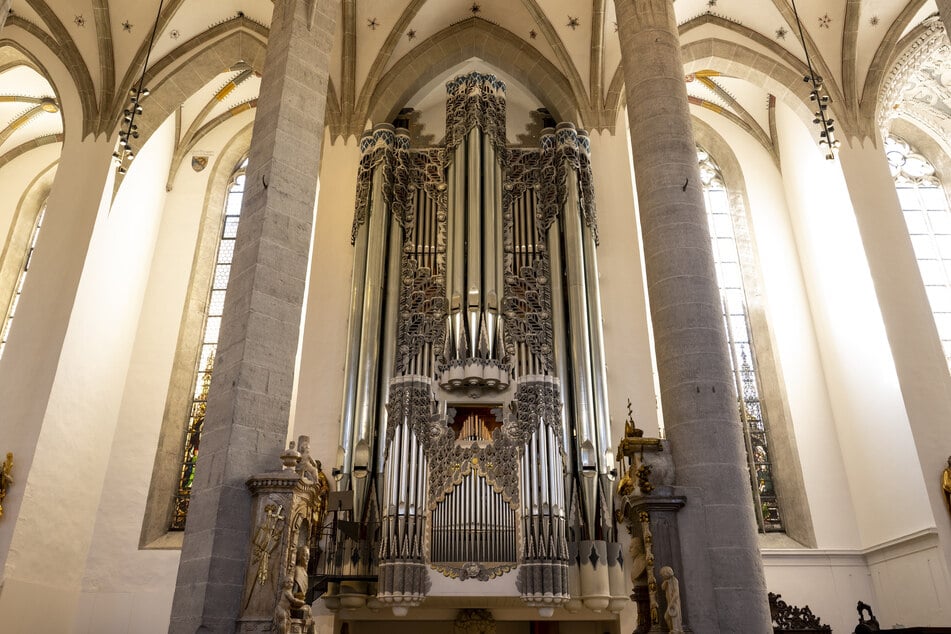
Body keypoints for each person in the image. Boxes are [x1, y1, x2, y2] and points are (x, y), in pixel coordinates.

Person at [659, 566, 684, 634]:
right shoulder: (667, 581)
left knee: (673, 616)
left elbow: (676, 593)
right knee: (667, 617)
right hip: (669, 602)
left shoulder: (674, 580)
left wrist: (671, 603)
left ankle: (676, 630)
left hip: (674, 602)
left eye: (663, 574)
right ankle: (672, 629)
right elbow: (663, 587)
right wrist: (666, 582)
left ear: (667, 573)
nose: (662, 576)